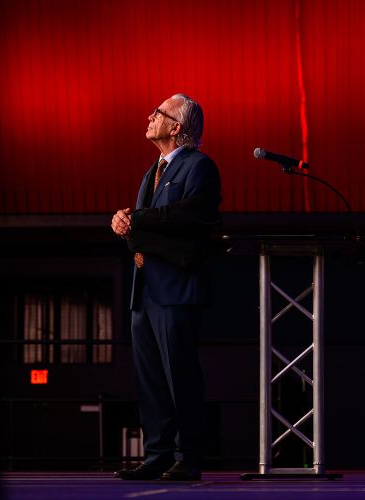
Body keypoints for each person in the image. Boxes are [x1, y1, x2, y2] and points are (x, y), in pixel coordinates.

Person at [111, 94, 221, 481]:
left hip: (176, 291)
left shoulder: (199, 166)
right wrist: (124, 223)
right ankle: (157, 454)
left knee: (180, 377)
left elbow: (190, 218)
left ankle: (187, 457)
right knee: (151, 380)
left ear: (175, 127)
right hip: (145, 292)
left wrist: (136, 221)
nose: (149, 116)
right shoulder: (151, 171)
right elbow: (145, 227)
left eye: (158, 113)